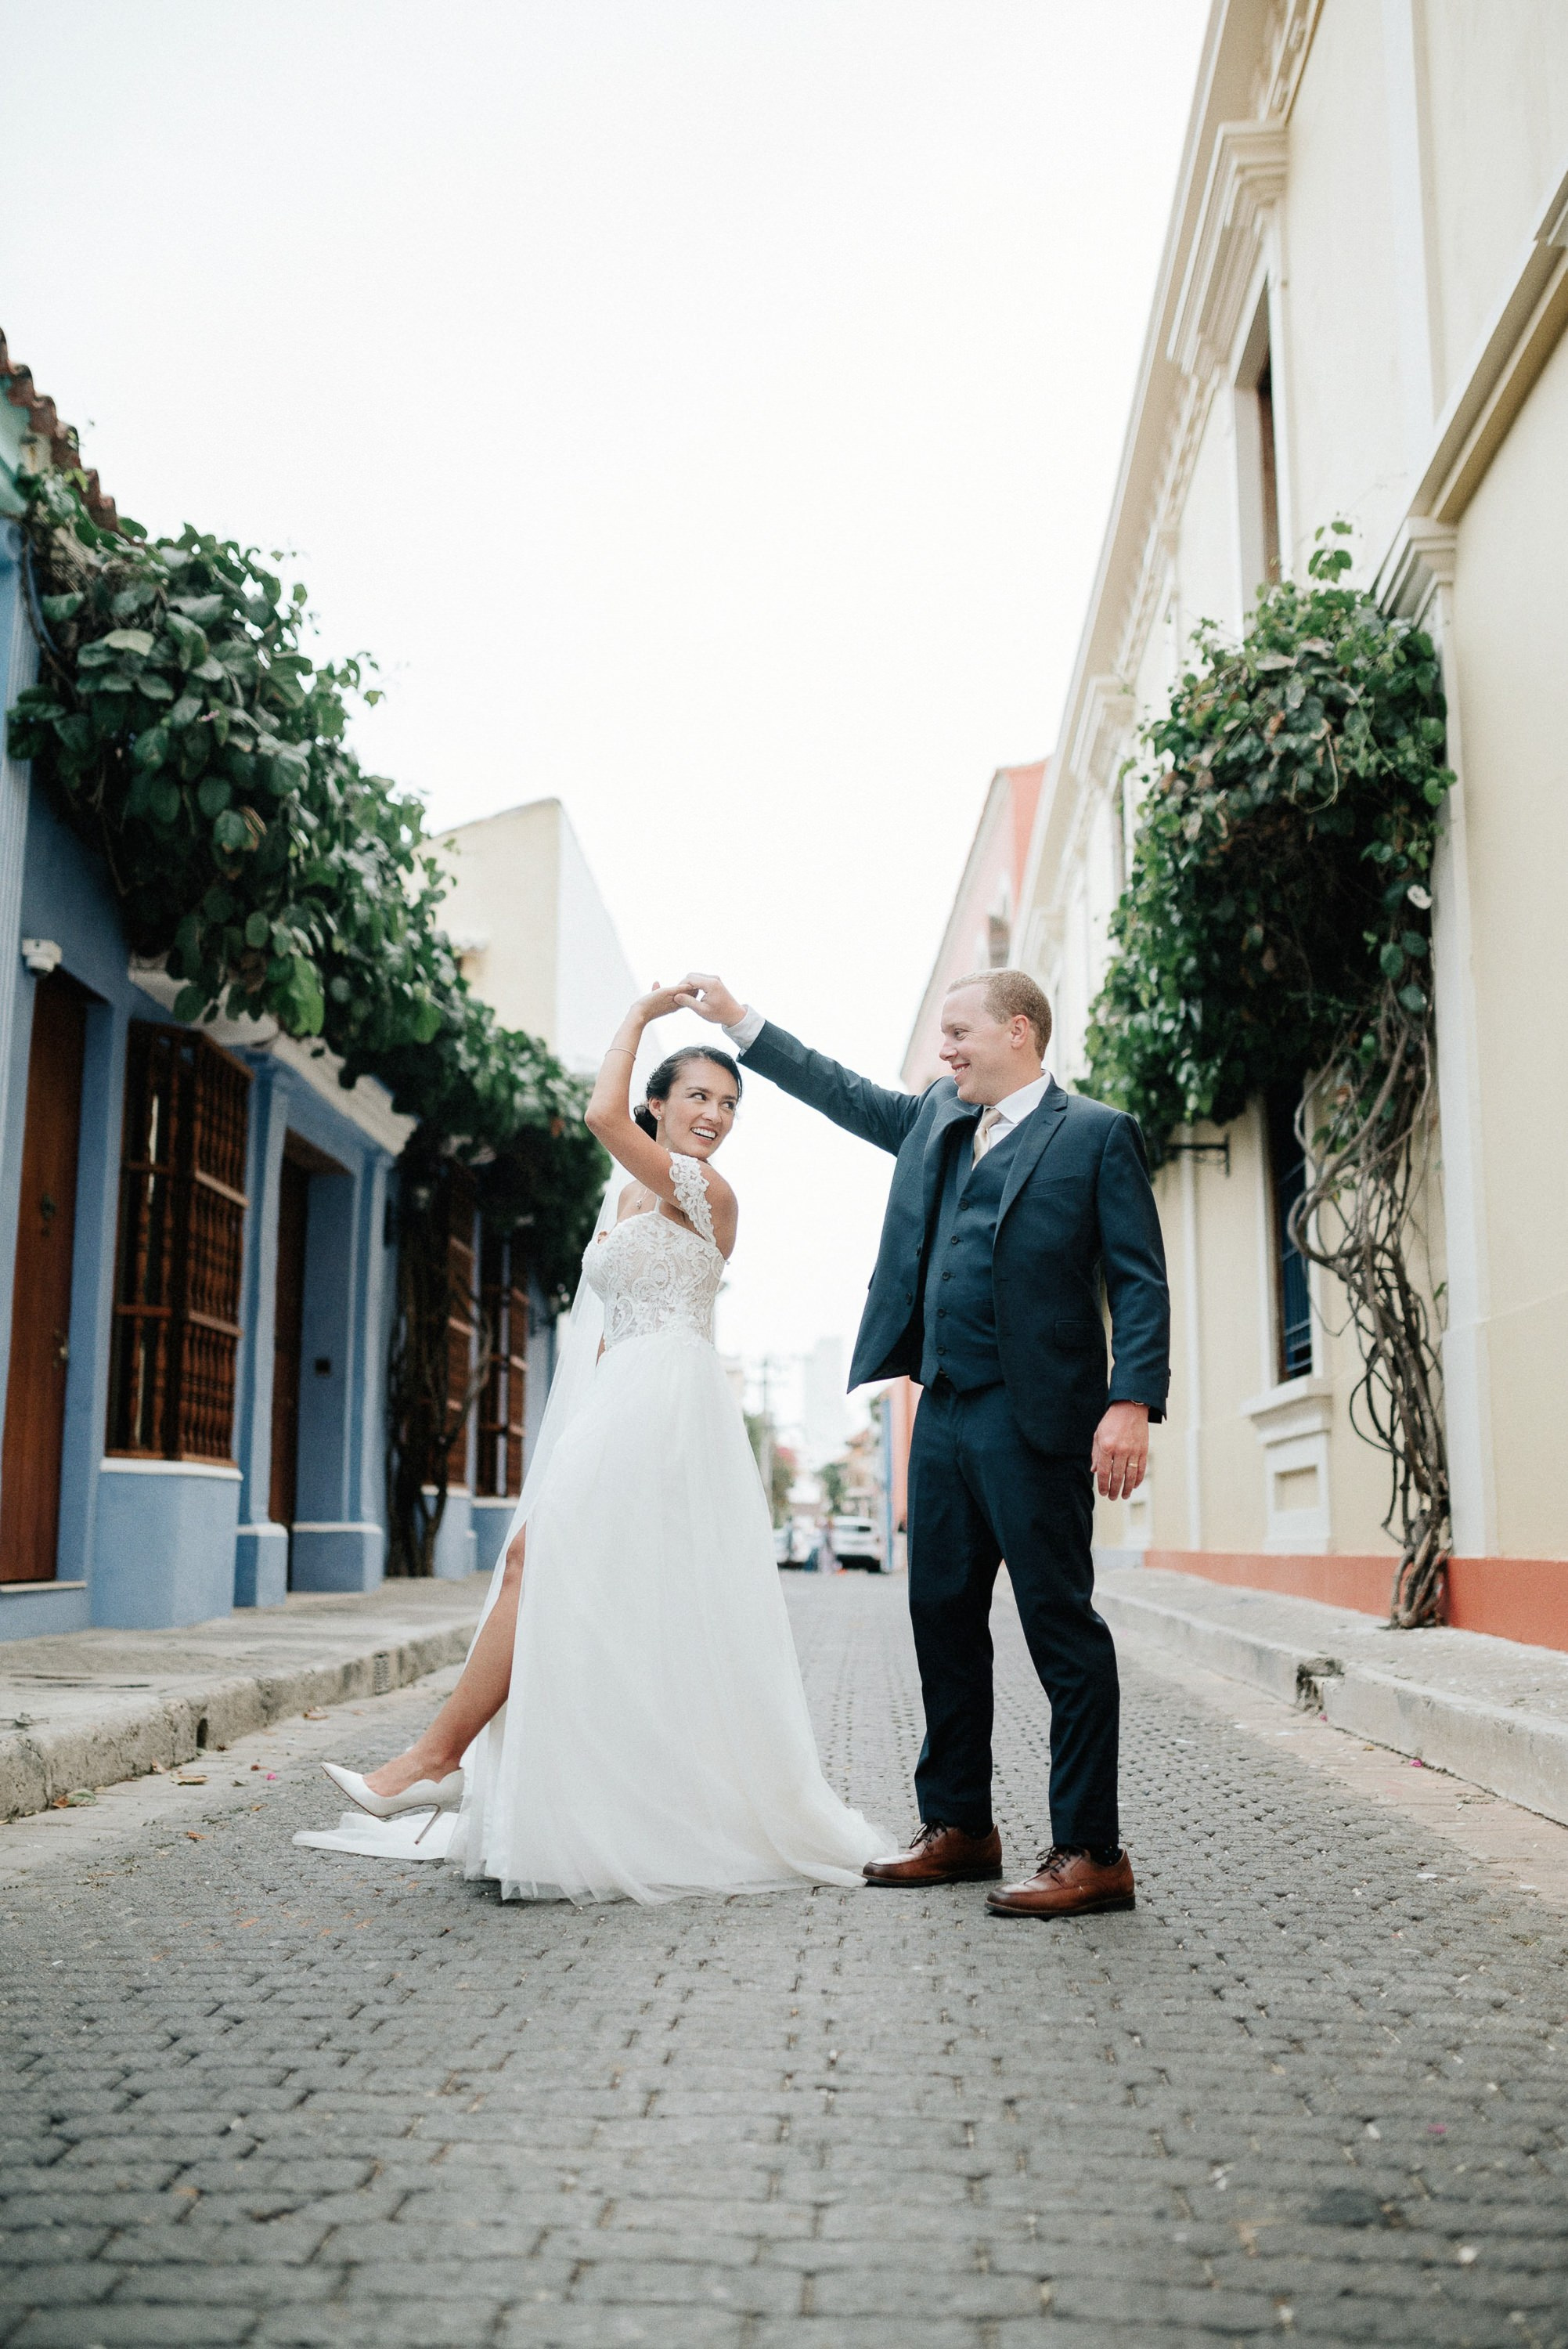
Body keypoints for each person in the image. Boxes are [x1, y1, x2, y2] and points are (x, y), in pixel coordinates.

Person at [301, 986, 885, 1903]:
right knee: (562, 1574)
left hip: (670, 1406)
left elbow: (598, 1110)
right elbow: (606, 1324)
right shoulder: (626, 1194)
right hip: (620, 1399)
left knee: (549, 1562)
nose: (716, 1117)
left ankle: (430, 1760)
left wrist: (645, 1013)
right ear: (664, 1103)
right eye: (699, 1097)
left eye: (729, 1105)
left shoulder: (707, 1192)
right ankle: (534, 1783)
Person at [672, 969, 1170, 1920]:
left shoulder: (1095, 1135)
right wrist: (739, 1021)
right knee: (940, 1621)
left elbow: (1138, 1280)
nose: (944, 1050)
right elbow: (841, 1091)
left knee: (1059, 1629)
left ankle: (1091, 1852)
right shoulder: (939, 1118)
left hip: (1038, 1420)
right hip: (940, 1412)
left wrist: (1130, 1402)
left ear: (1018, 1032)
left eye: (958, 1032)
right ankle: (959, 1829)